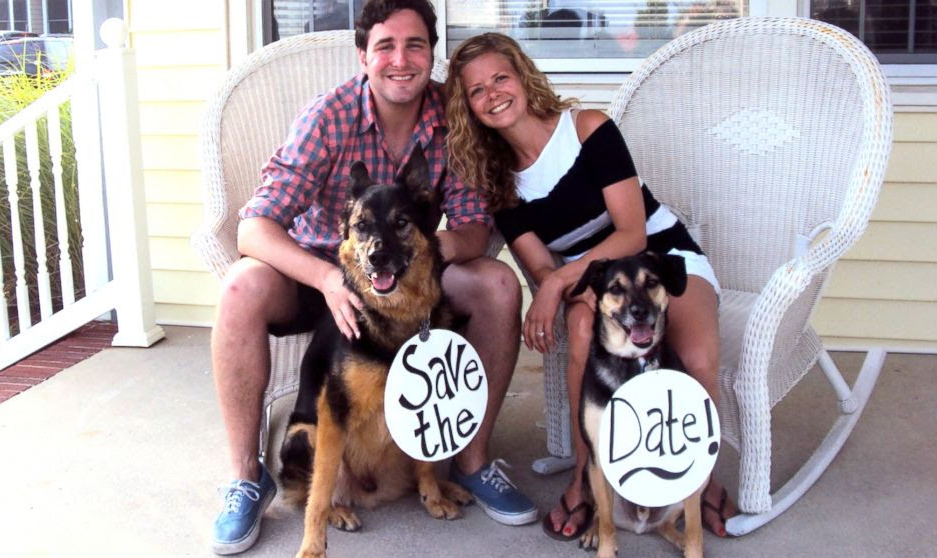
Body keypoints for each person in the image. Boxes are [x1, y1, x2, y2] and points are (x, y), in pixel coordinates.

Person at [210, 3, 538, 555]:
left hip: (409, 278)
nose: (400, 60)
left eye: (414, 45)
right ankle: (247, 475)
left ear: (431, 54)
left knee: (498, 284)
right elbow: (255, 228)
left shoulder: (452, 117)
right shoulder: (329, 117)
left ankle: (471, 458)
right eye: (385, 46)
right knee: (242, 285)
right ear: (363, 56)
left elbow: (474, 229)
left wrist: (420, 259)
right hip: (320, 275)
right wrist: (328, 278)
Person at [445, 32, 738, 541]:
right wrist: (558, 286)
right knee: (581, 338)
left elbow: (632, 232)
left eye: (500, 78)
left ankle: (701, 479)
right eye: (476, 90)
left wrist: (559, 281)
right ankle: (586, 477)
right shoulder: (499, 182)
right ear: (468, 107)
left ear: (522, 76)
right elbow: (539, 267)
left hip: (662, 258)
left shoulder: (587, 129)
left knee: (695, 361)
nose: (492, 94)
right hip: (595, 279)